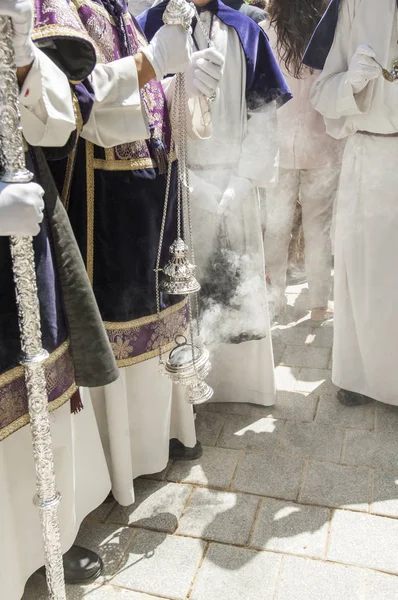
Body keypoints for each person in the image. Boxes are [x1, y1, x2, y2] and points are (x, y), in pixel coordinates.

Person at [34, 0, 225, 505]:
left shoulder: (120, 11)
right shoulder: (65, 8)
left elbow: (149, 100)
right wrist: (151, 64)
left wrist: (183, 85)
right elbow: (79, 103)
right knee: (122, 321)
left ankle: (167, 432)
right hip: (104, 199)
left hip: (153, 185)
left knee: (166, 311)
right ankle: (124, 460)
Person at [0, 0, 120, 597]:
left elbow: (56, 126)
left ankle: (46, 534)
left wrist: (23, 61)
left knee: (41, 380)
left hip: (25, 220)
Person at [139, 0, 291, 408]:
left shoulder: (246, 29)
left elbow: (263, 115)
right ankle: (186, 394)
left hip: (235, 179)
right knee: (187, 287)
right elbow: (141, 111)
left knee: (237, 281)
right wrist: (183, 179)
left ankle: (242, 387)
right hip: (175, 179)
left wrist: (242, 181)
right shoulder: (149, 25)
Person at [304, 0, 398, 406]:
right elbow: (322, 91)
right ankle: (359, 375)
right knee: (362, 268)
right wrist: (352, 84)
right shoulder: (356, 3)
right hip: (370, 155)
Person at [262, 0, 344, 322]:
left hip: (278, 146)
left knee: (277, 227)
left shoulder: (267, 32)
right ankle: (319, 307)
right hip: (323, 143)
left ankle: (273, 301)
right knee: (318, 229)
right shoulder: (329, 33)